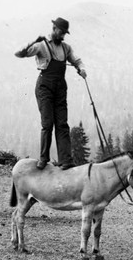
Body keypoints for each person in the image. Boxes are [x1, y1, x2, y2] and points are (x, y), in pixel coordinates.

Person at [15, 17, 87, 170]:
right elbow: (19, 53)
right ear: (54, 29)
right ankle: (43, 158)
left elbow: (77, 60)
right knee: (47, 124)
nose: (62, 36)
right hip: (44, 86)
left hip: (60, 87)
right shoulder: (41, 45)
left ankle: (66, 161)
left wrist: (81, 68)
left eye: (64, 34)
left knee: (62, 124)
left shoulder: (66, 48)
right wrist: (33, 41)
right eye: (61, 32)